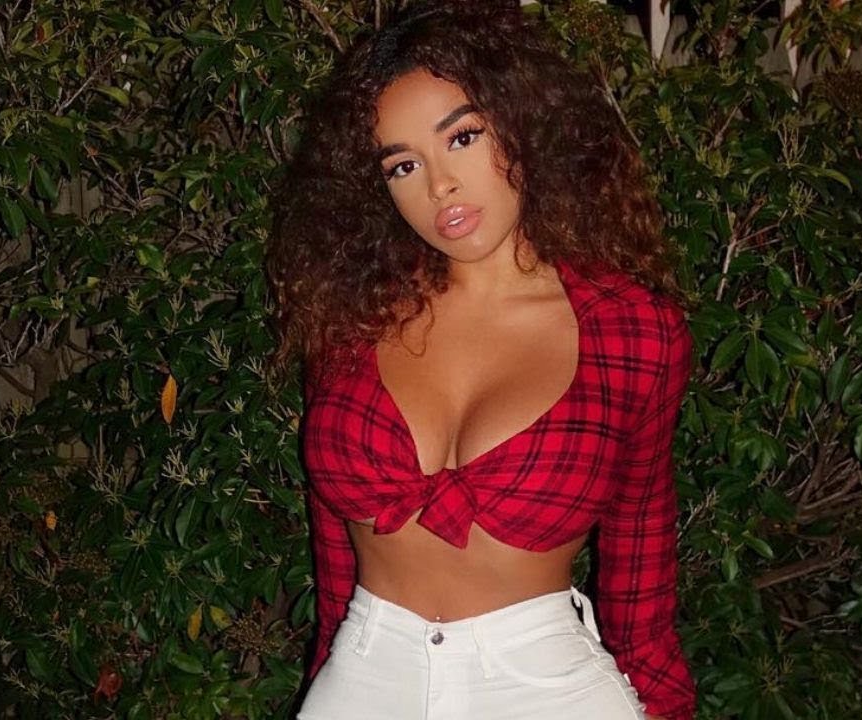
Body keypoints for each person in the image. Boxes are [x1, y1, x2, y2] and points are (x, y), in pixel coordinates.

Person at [266, 2, 694, 718]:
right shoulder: (350, 317)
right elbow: (334, 563)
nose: (439, 186)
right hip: (368, 675)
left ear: (521, 123)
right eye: (403, 164)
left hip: (549, 691)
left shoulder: (633, 333)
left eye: (462, 137)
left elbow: (640, 582)